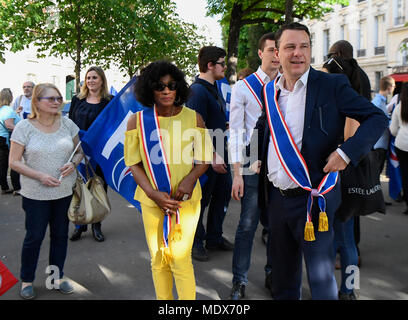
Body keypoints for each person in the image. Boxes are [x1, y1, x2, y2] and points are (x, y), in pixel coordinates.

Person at [252, 22, 388, 300]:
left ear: (311, 50)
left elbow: (377, 118)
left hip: (315, 202)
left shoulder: (331, 85)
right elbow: (264, 129)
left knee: (322, 282)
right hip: (277, 201)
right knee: (283, 281)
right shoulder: (269, 91)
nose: (298, 53)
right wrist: (250, 160)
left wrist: (346, 153)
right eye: (290, 47)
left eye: (304, 46)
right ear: (277, 53)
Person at [124, 61, 212, 299]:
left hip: (185, 201)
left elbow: (205, 159)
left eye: (171, 85)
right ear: (149, 90)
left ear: (178, 88)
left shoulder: (194, 119)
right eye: (159, 86)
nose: (166, 91)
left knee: (181, 261)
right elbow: (133, 163)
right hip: (153, 201)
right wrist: (153, 194)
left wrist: (192, 178)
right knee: (159, 260)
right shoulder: (137, 122)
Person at [9, 83, 83, 299]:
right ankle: (27, 280)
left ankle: (56, 279)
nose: (57, 101)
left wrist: (74, 163)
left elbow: (79, 152)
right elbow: (14, 162)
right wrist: (40, 175)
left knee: (60, 236)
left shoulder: (68, 124)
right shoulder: (25, 127)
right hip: (35, 195)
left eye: (59, 98)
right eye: (51, 98)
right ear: (37, 102)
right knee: (34, 237)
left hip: (64, 192)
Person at [228, 32, 280, 300]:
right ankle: (239, 280)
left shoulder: (287, 85)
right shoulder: (244, 87)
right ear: (261, 53)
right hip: (250, 159)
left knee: (276, 224)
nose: (276, 54)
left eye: (278, 49)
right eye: (272, 49)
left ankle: (273, 273)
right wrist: (237, 173)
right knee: (247, 224)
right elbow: (236, 133)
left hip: (281, 161)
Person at [186, 46, 233, 262]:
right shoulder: (197, 91)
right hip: (205, 158)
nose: (226, 67)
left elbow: (211, 121)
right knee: (201, 201)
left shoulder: (214, 88)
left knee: (222, 195)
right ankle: (196, 242)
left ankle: (214, 237)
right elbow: (195, 128)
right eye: (222, 63)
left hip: (220, 153)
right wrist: (212, 156)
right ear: (210, 65)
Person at [328, 39, 372, 266]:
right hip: (360, 149)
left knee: (343, 211)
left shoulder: (344, 77)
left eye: (330, 55)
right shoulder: (362, 75)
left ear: (338, 54)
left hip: (347, 150)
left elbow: (350, 123)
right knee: (352, 206)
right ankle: (352, 251)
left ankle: (347, 256)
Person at [322, 56, 362, 300]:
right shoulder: (352, 100)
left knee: (341, 241)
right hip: (344, 179)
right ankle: (349, 290)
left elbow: (347, 142)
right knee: (345, 242)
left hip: (339, 180)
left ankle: (345, 290)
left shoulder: (346, 104)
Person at [68, 66, 113, 242]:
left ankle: (97, 225)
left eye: (94, 78)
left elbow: (111, 127)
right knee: (79, 188)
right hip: (79, 151)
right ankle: (80, 225)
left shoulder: (109, 101)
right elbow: (70, 125)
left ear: (102, 80)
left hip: (99, 153)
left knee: (98, 188)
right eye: (88, 78)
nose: (91, 81)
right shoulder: (77, 100)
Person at [371, 76, 396, 178]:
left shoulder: (380, 101)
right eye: (394, 86)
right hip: (379, 144)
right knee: (376, 173)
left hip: (380, 143)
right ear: (389, 87)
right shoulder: (378, 102)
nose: (394, 88)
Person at [390, 82, 408, 215]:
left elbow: (393, 130)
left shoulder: (399, 107)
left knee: (405, 175)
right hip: (401, 143)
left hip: (401, 143)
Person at [0, 88, 21, 194]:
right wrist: (23, 129)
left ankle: (4, 187)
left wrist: (15, 113)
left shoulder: (2, 110)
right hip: (5, 140)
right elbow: (9, 125)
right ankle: (17, 188)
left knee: (2, 165)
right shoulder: (7, 110)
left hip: (1, 138)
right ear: (10, 97)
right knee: (14, 162)